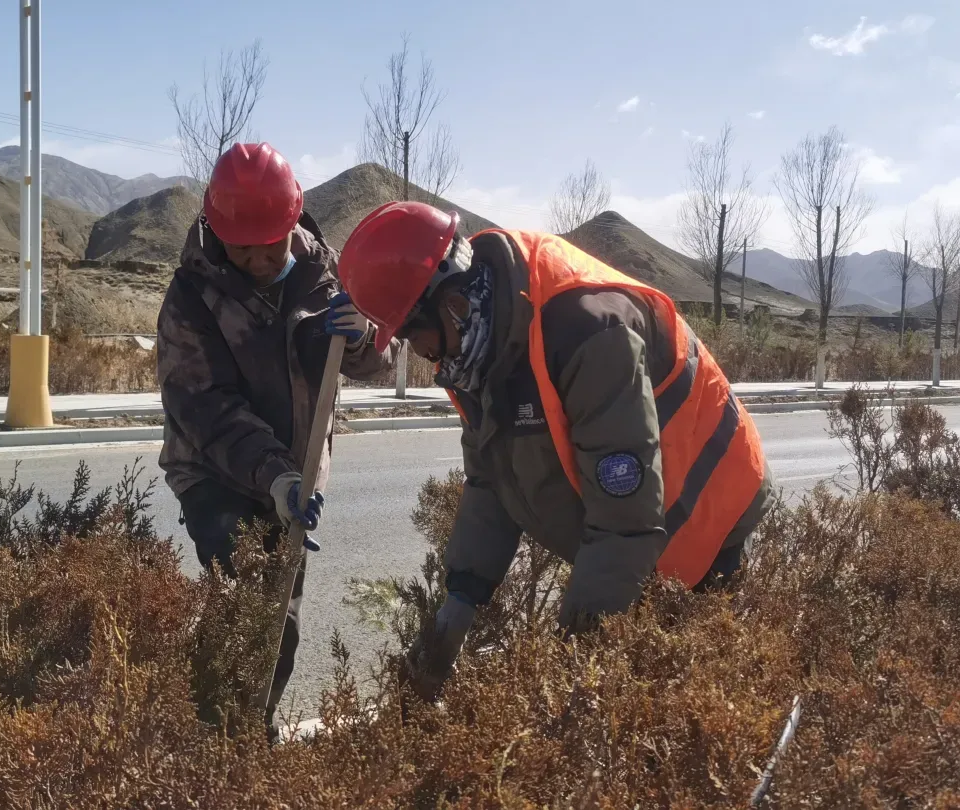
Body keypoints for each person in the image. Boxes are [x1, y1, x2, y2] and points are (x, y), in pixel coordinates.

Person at [337, 200, 777, 701]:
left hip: (706, 515)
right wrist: (459, 602)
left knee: (678, 712)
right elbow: (490, 479)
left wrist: (570, 674)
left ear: (453, 303)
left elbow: (624, 518)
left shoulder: (590, 331)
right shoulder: (477, 344)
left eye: (418, 338)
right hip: (638, 531)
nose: (427, 357)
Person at [156, 142, 397, 738]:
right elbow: (205, 407)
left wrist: (365, 338)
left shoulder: (326, 274)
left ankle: (249, 734)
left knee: (280, 616)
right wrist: (273, 474)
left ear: (293, 221)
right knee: (243, 602)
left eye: (271, 245)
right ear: (216, 230)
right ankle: (210, 734)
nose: (260, 260)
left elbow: (377, 361)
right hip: (215, 472)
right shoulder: (190, 297)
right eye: (243, 248)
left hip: (298, 472)